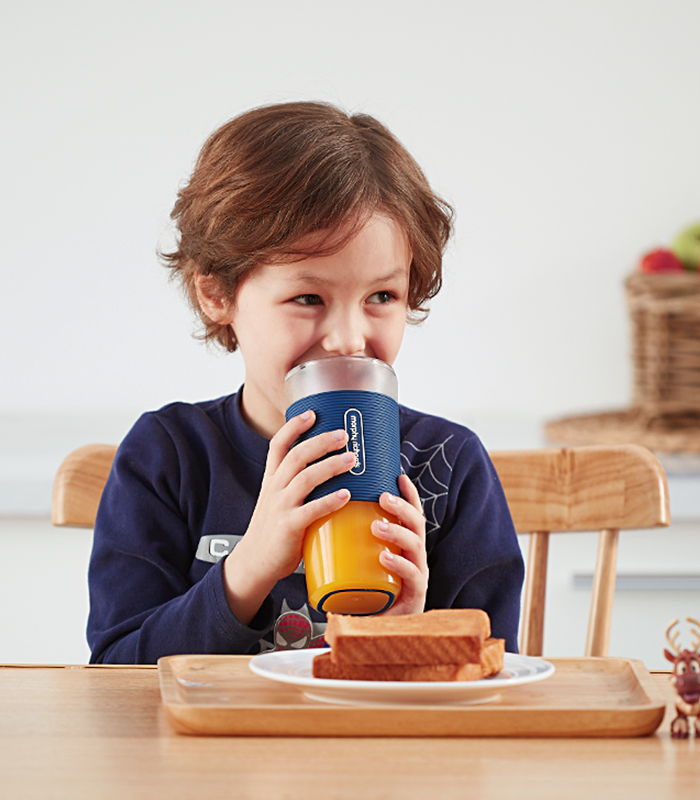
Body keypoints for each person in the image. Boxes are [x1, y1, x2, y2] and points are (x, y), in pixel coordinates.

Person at [87, 102, 524, 664]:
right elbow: (116, 674)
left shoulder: (450, 463)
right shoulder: (167, 457)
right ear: (217, 295)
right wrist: (249, 567)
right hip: (210, 753)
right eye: (308, 298)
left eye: (381, 297)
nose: (347, 337)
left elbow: (498, 680)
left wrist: (404, 638)